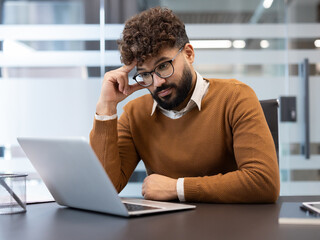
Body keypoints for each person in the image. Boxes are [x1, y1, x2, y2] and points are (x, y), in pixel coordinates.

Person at [89, 7, 280, 203]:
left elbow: (263, 181)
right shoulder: (135, 113)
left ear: (189, 54)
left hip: (229, 227)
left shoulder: (235, 97)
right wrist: (106, 107)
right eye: (145, 74)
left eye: (163, 66)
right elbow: (105, 187)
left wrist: (177, 187)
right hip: (164, 229)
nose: (157, 82)